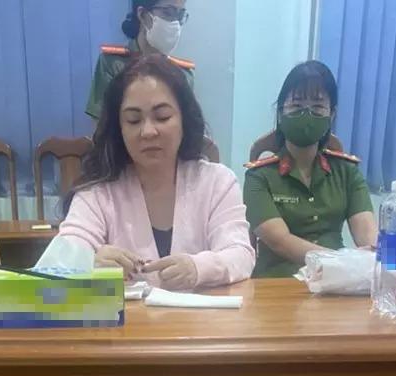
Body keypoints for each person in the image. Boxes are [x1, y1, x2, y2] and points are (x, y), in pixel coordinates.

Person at [61, 54, 255, 290]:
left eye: (162, 117)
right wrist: (88, 263)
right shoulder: (97, 194)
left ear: (184, 119)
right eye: (133, 120)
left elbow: (240, 254)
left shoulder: (217, 182)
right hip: (124, 316)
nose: (148, 131)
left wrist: (198, 268)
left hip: (201, 314)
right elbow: (59, 262)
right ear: (119, 129)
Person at [243, 61, 377, 278]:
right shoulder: (258, 176)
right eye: (296, 106)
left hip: (336, 285)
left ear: (331, 115)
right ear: (280, 113)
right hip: (278, 285)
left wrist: (372, 256)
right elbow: (280, 241)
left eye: (318, 107)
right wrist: (344, 262)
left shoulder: (347, 171)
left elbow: (369, 238)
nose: (307, 114)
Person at [86, 0, 194, 120]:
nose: (175, 23)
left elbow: (188, 126)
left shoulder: (183, 74)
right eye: (168, 12)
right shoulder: (113, 64)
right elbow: (102, 125)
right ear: (143, 15)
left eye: (180, 15)